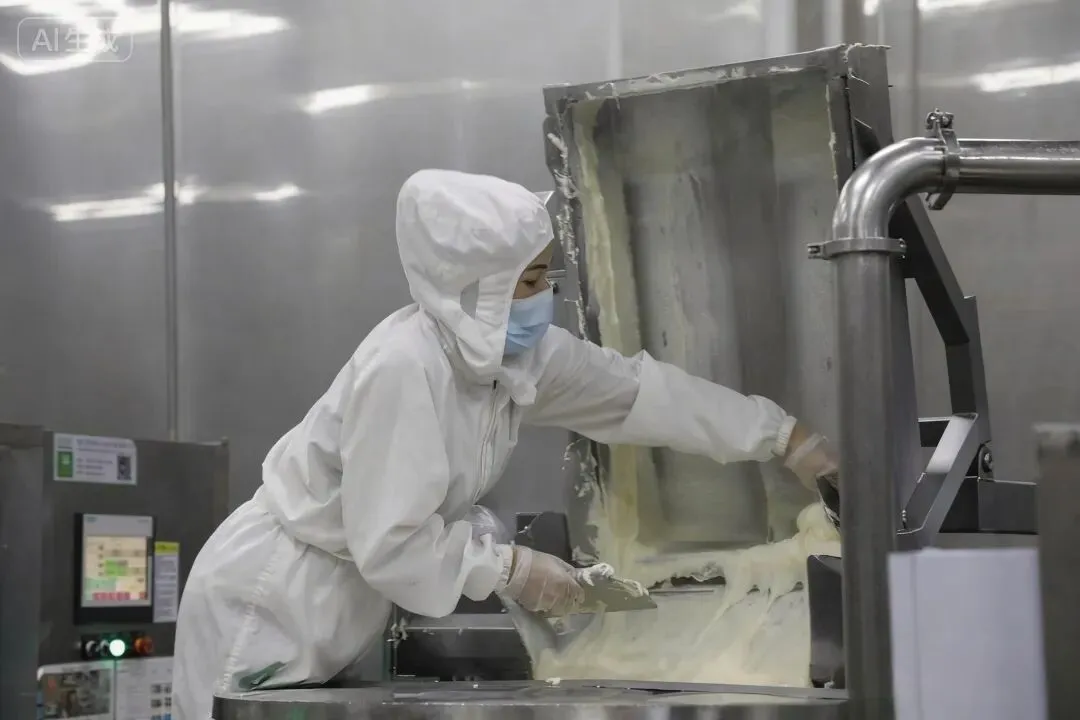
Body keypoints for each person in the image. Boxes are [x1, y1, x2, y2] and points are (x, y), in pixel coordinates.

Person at [172, 169, 839, 719]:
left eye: (547, 277)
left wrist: (781, 435)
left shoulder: (509, 360)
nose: (543, 297)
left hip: (342, 602)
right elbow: (392, 545)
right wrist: (511, 570)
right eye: (528, 281)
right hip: (271, 600)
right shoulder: (407, 368)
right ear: (472, 287)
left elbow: (636, 393)